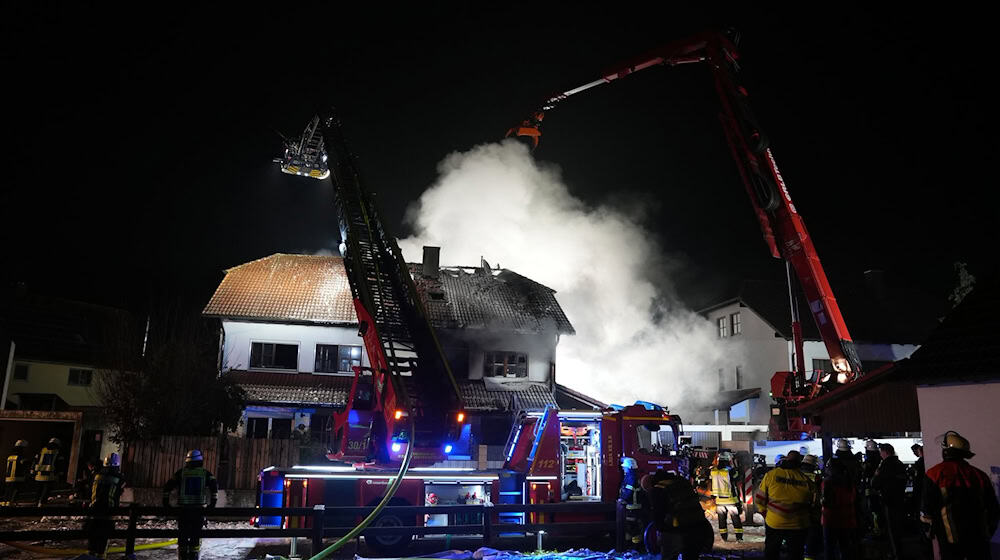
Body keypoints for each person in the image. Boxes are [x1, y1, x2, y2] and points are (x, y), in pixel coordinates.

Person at [920, 431, 999, 560]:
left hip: (950, 540)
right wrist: (988, 532)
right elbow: (993, 508)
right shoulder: (980, 475)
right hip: (978, 538)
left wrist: (928, 532)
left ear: (946, 451)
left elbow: (926, 510)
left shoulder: (934, 474)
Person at [756, 450, 815, 560]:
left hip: (774, 522)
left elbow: (760, 499)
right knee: (795, 554)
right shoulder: (806, 480)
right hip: (798, 524)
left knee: (771, 552)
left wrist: (765, 514)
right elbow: (813, 505)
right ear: (799, 462)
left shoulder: (771, 475)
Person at [163, 450, 218, 560]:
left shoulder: (181, 473)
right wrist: (212, 505)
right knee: (195, 537)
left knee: (182, 537)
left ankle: (183, 557)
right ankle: (194, 557)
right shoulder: (205, 473)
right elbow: (214, 488)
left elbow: (167, 487)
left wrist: (166, 503)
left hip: (183, 511)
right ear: (200, 461)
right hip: (198, 511)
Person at [645, 470, 713, 560]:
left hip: (679, 529)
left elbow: (658, 515)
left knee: (669, 555)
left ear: (650, 485)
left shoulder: (658, 489)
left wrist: (661, 532)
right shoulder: (682, 482)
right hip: (699, 525)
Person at [86, 453, 126, 559]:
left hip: (94, 511)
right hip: (108, 513)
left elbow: (90, 489)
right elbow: (119, 491)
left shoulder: (97, 475)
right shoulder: (119, 478)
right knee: (103, 542)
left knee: (92, 542)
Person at [871, 443, 907, 558]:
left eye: (881, 451)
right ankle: (899, 552)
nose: (880, 454)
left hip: (888, 500)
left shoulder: (885, 465)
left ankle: (895, 553)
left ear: (885, 452)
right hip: (900, 499)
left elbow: (875, 484)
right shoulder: (900, 464)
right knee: (899, 528)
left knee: (891, 529)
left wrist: (876, 476)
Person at [822, 456, 860, 560]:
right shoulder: (849, 481)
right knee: (845, 548)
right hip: (848, 520)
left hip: (831, 520)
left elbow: (825, 501)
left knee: (830, 549)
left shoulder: (827, 482)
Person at [710, 451, 743, 541]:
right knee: (735, 519)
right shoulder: (730, 471)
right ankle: (739, 537)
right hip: (730, 500)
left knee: (721, 520)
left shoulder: (713, 471)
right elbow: (737, 477)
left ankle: (724, 538)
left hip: (719, 501)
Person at [617, 457, 645, 550]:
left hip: (633, 506)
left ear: (629, 467)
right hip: (632, 505)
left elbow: (628, 490)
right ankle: (631, 545)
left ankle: (636, 547)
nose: (623, 468)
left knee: (633, 527)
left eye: (624, 467)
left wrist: (622, 498)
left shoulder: (631, 477)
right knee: (631, 526)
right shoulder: (631, 475)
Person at [800, 454, 823, 560]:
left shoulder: (796, 475)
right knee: (812, 536)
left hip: (797, 510)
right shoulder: (817, 478)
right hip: (813, 511)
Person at [33, 437, 68, 505]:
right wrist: (60, 473)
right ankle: (42, 502)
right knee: (46, 490)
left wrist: (33, 471)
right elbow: (59, 463)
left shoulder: (41, 450)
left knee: (39, 490)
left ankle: (36, 502)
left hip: (39, 474)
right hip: (50, 475)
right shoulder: (57, 451)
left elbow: (35, 460)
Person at [2, 440, 31, 505]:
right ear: (22, 448)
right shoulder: (20, 457)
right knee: (14, 493)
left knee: (7, 493)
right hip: (17, 479)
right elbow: (26, 464)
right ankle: (10, 506)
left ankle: (4, 504)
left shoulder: (10, 457)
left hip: (8, 478)